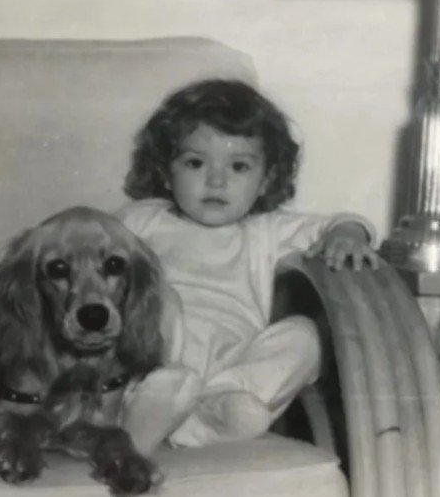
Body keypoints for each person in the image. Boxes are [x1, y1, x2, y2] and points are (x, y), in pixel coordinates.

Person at [116, 79, 378, 454]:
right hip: (156, 356)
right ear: (166, 171)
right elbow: (86, 249)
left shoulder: (267, 230)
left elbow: (338, 223)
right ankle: (148, 409)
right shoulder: (141, 220)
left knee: (307, 335)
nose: (216, 180)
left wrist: (348, 235)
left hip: (233, 361)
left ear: (266, 180)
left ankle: (215, 413)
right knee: (162, 303)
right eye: (195, 163)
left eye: (239, 166)